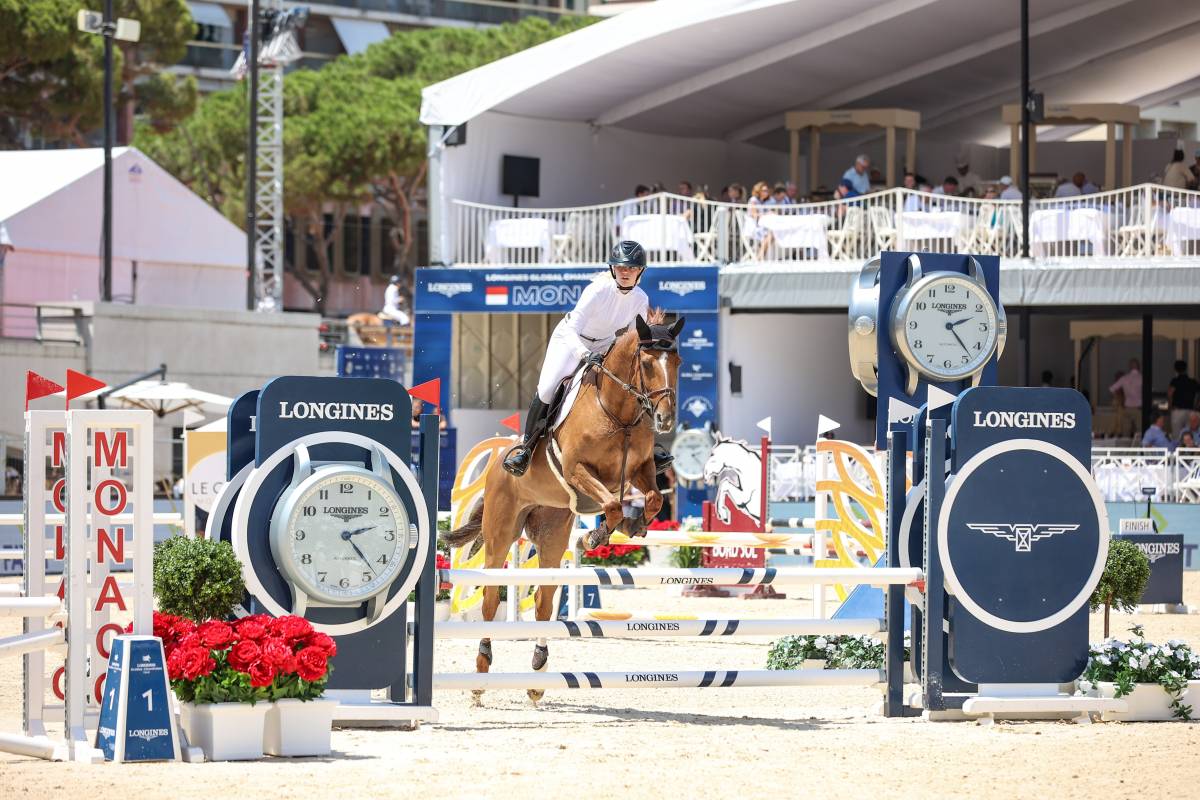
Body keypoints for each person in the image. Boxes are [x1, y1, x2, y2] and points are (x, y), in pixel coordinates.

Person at [503, 241, 653, 477]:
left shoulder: (641, 300)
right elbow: (573, 328)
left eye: (631, 268)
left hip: (605, 343)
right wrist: (584, 354)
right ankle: (526, 450)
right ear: (613, 269)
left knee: (635, 387)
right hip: (571, 340)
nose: (625, 272)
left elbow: (636, 339)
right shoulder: (597, 290)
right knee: (547, 388)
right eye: (621, 267)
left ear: (640, 272)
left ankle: (651, 447)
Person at [1109, 360, 1143, 439]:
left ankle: (1126, 450)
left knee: (1125, 433)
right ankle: (1139, 450)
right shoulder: (1142, 378)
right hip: (1139, 408)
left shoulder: (1124, 378)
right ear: (1139, 366)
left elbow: (1111, 389)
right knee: (1140, 432)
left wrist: (1121, 400)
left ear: (1130, 367)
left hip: (1127, 408)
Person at [1168, 360, 1199, 435]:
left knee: (1176, 435)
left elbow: (1170, 394)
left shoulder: (1175, 381)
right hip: (1190, 410)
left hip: (1177, 410)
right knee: (1190, 435)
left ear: (1175, 369)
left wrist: (1170, 406)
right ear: (1186, 369)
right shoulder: (1193, 381)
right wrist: (1196, 405)